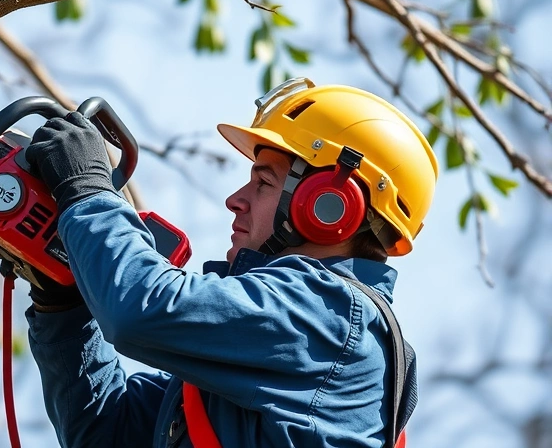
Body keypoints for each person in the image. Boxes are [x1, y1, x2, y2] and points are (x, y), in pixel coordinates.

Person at [22, 78, 438, 448]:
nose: (235, 200)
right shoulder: (259, 361)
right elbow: (107, 434)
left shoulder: (327, 314)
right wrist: (64, 310)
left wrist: (87, 189)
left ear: (330, 206)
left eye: (263, 182)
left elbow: (141, 307)